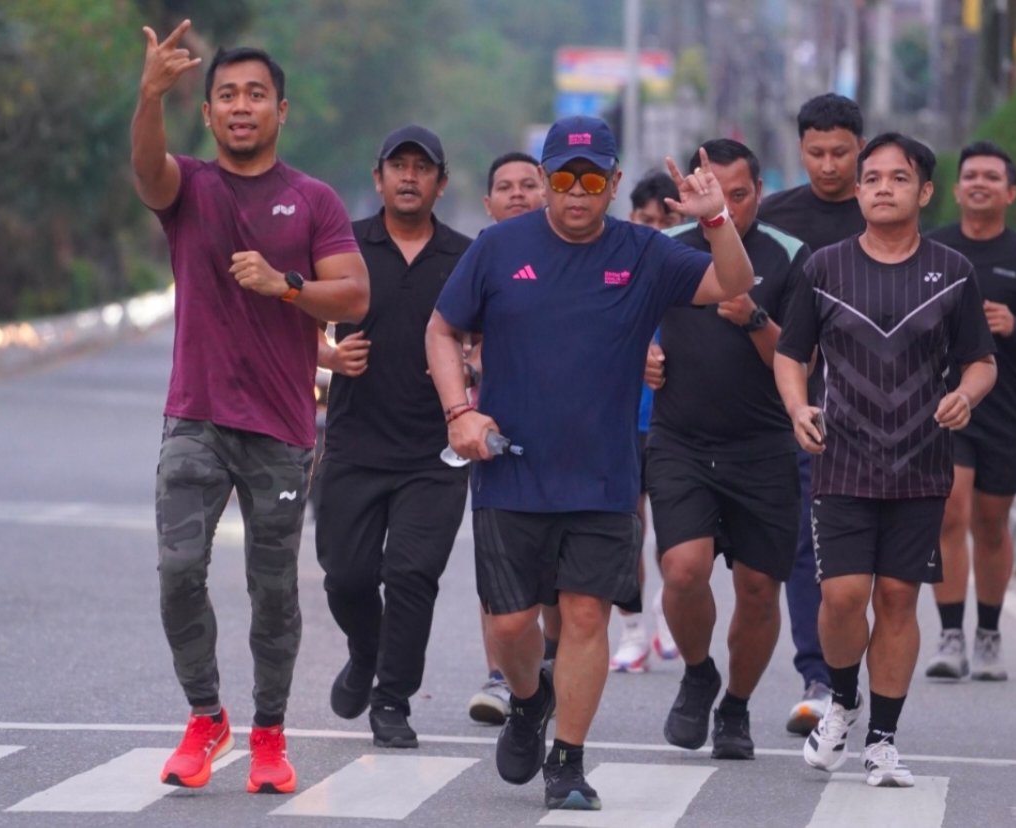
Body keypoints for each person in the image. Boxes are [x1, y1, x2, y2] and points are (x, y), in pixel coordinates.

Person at [425, 115, 753, 811]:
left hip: (603, 475)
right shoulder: (499, 247)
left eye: (593, 180)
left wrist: (715, 218)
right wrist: (459, 411)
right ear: (546, 180)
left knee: (584, 617)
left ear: (613, 182)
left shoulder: (644, 252)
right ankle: (527, 700)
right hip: (510, 468)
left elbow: (733, 283)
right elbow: (442, 327)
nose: (578, 193)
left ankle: (568, 761)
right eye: (565, 179)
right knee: (511, 625)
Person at [132, 22, 368, 794]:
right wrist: (149, 96)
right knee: (177, 573)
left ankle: (269, 732)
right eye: (227, 95)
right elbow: (147, 171)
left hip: (280, 430)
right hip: (194, 418)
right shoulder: (190, 189)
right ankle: (206, 717)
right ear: (207, 114)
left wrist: (285, 285)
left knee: (273, 590)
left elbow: (354, 295)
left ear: (280, 110)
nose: (241, 106)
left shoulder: (313, 200)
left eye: (256, 95)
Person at [774, 133, 997, 788]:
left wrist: (965, 395)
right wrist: (798, 407)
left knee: (899, 598)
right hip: (840, 458)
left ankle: (882, 741)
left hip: (921, 462)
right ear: (858, 190)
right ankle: (843, 700)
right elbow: (791, 354)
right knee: (843, 596)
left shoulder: (953, 270)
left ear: (924, 192)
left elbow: (981, 361)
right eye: (871, 178)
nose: (882, 188)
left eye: (898, 178)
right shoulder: (825, 268)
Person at [647, 138, 806, 759]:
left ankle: (735, 706)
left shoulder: (790, 256)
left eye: (739, 195)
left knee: (760, 588)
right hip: (681, 441)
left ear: (759, 192)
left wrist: (754, 319)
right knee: (683, 570)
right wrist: (642, 357)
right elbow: (624, 323)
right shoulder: (666, 250)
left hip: (763, 445)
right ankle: (697, 673)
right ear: (688, 192)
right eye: (714, 194)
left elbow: (803, 361)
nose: (728, 206)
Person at [314, 125, 472, 749]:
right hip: (354, 444)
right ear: (378, 178)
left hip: (435, 451)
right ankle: (365, 650)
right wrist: (327, 356)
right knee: (346, 577)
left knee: (411, 575)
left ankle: (391, 699)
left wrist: (476, 368)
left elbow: (497, 334)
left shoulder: (465, 257)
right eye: (398, 166)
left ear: (441, 183)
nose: (409, 177)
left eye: (422, 167)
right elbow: (286, 315)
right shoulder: (343, 246)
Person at [757, 93, 868, 735]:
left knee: (878, 565)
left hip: (886, 413)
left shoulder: (884, 211)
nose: (829, 165)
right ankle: (819, 677)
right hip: (803, 411)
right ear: (800, 149)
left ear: (861, 149)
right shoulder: (776, 219)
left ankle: (866, 679)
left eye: (841, 153)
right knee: (809, 542)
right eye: (817, 152)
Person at [924, 141, 1016, 681]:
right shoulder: (933, 250)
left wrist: (1015, 326)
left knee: (991, 524)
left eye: (992, 177)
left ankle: (989, 634)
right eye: (971, 175)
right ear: (956, 190)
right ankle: (951, 635)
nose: (980, 183)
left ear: (1011, 192)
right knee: (950, 513)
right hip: (945, 408)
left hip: (1005, 412)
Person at [467, 151, 559, 725]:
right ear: (488, 202)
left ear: (548, 192)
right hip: (497, 435)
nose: (519, 194)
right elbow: (451, 333)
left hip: (571, 434)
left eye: (530, 184)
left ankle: (550, 665)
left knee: (560, 577)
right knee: (500, 569)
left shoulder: (576, 247)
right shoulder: (480, 256)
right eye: (506, 187)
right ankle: (502, 676)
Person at [609, 170, 683, 673]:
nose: (654, 229)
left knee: (679, 537)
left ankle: (669, 608)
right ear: (632, 217)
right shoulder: (614, 266)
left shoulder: (692, 269)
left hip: (678, 423)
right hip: (622, 419)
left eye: (665, 221)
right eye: (645, 219)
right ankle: (633, 631)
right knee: (628, 528)